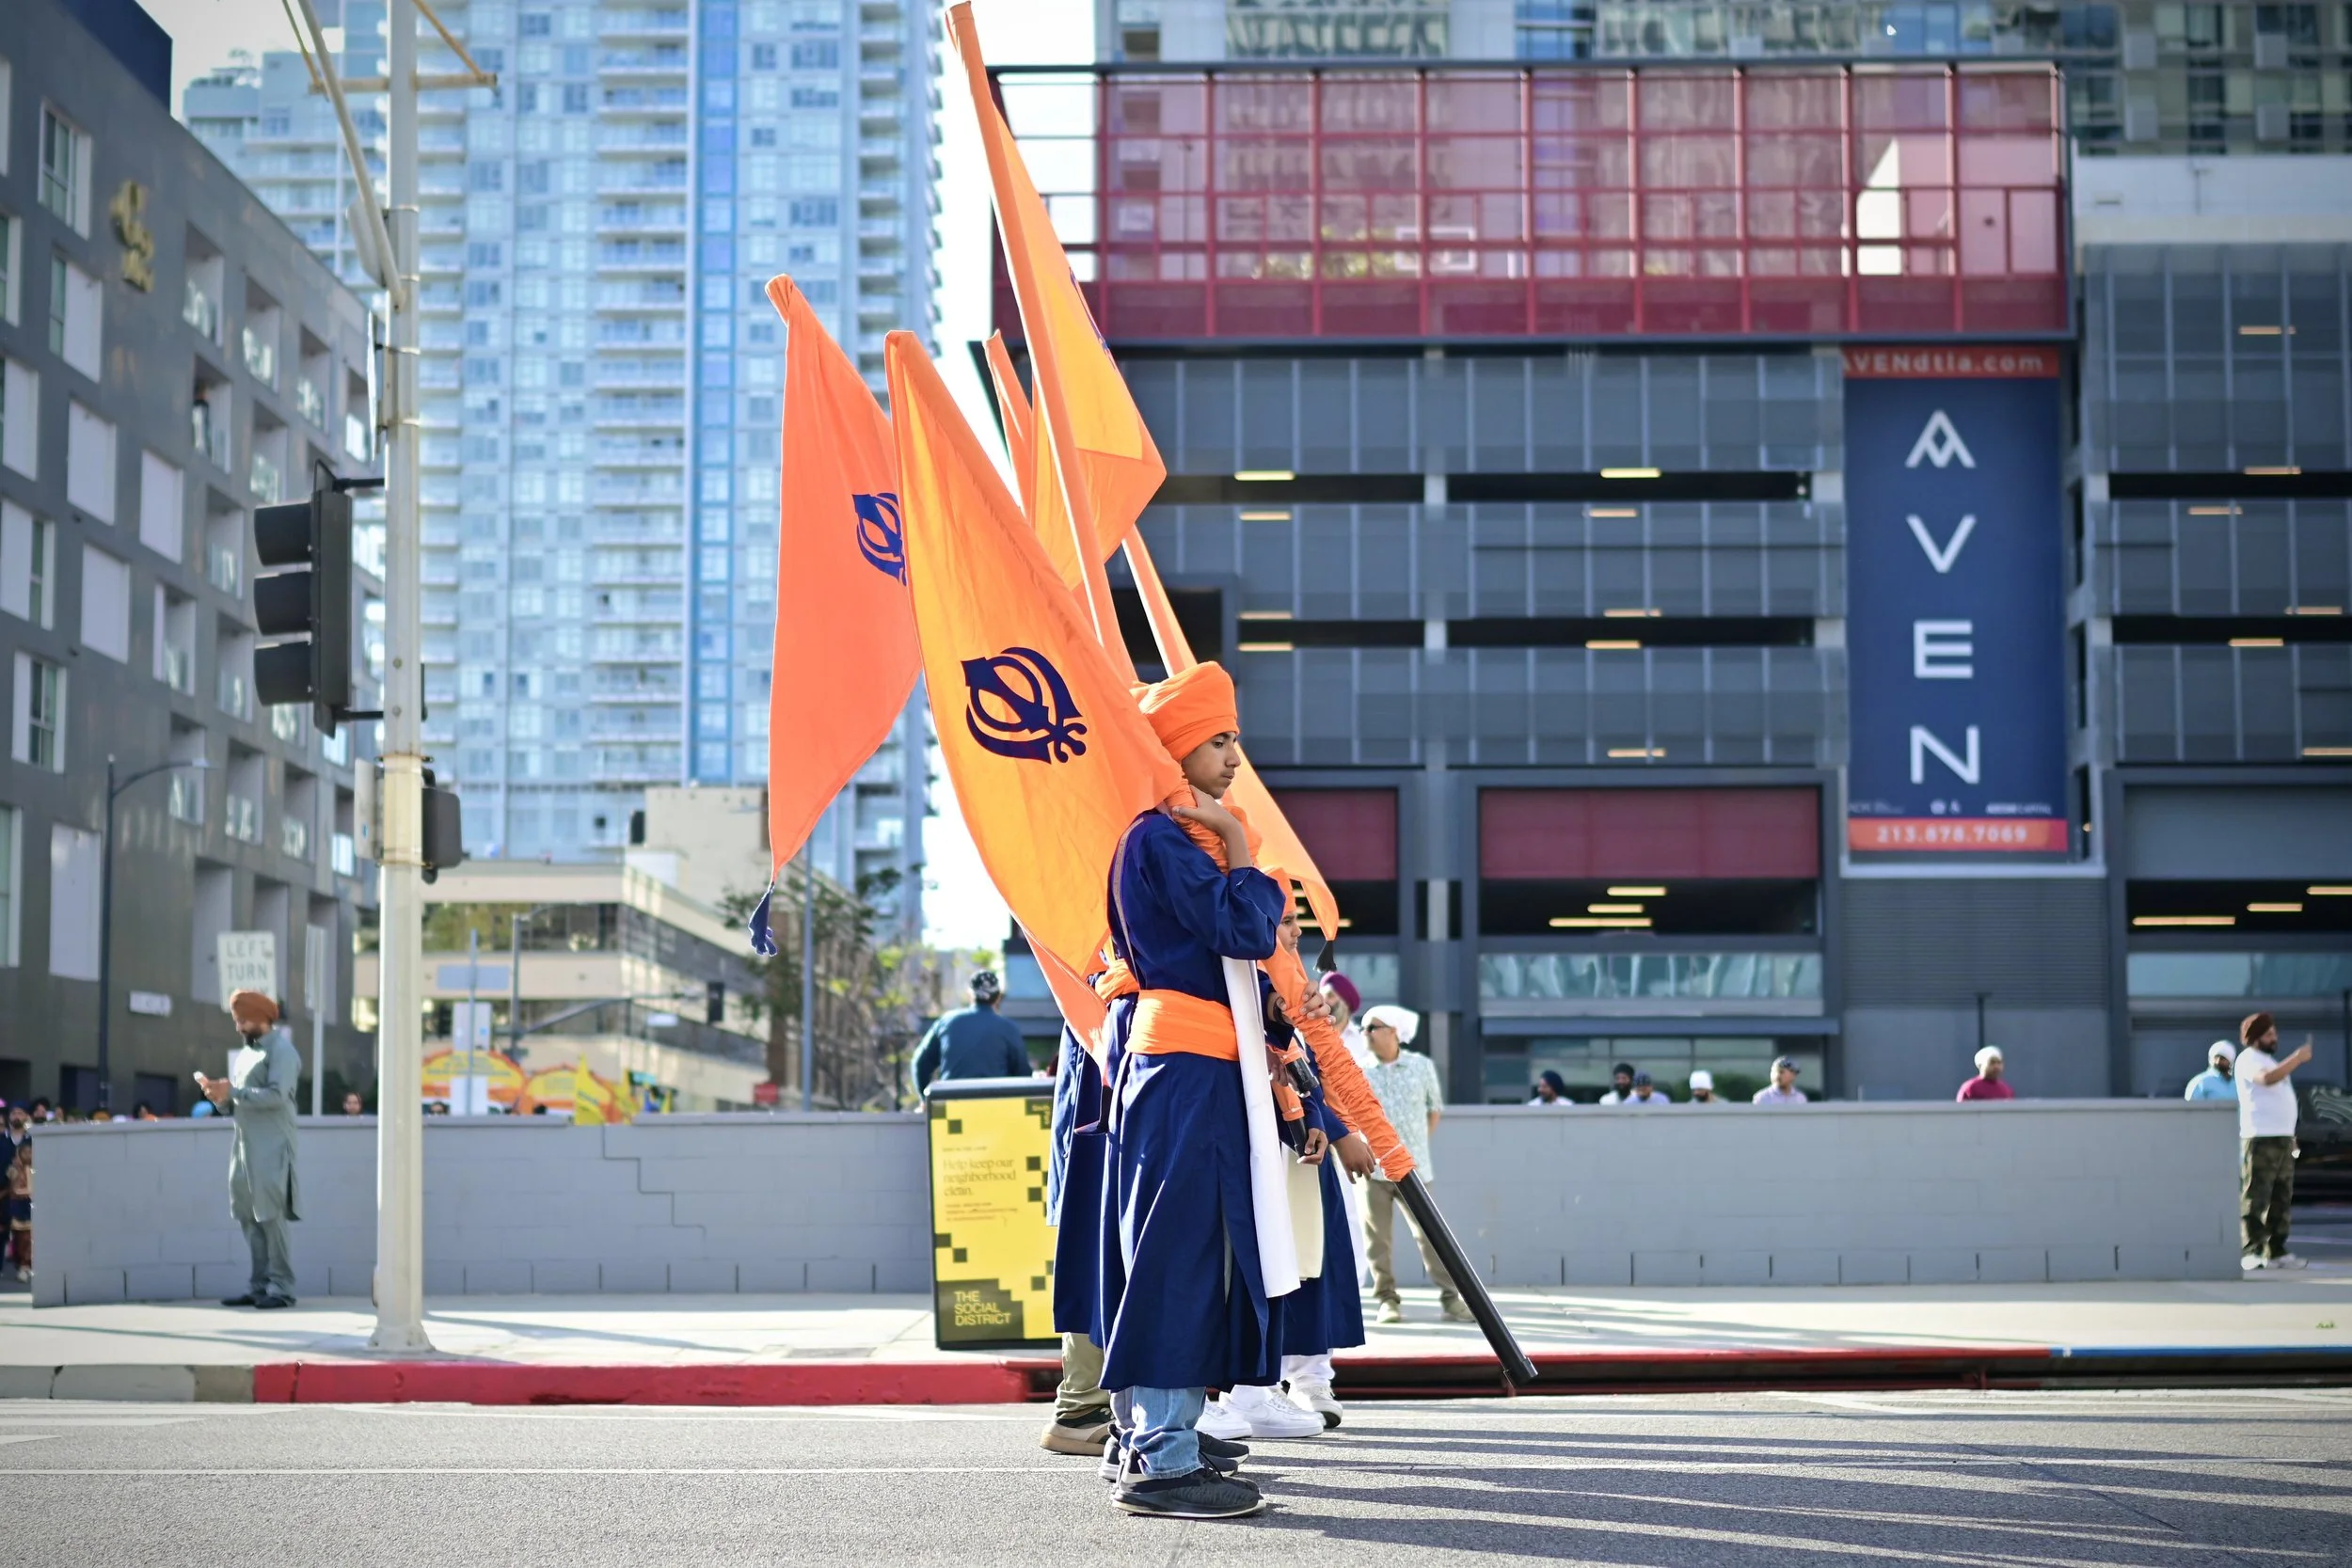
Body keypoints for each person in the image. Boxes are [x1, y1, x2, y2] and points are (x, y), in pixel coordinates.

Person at [1093, 661, 1288, 1520]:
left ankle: (1153, 1433)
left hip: (1182, 1069)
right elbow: (1245, 928)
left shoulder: (1160, 837)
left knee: (1174, 1252)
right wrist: (1242, 847)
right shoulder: (1165, 838)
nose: (1235, 754)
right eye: (1219, 738)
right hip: (1189, 1069)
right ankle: (1160, 1457)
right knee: (1180, 1255)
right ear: (1177, 748)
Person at [1358, 1004, 1472, 1326]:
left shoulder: (1421, 1067)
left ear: (1394, 1032)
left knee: (1431, 1236)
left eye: (1373, 1027)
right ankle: (1386, 1300)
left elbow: (1433, 1109)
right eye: (1364, 1028)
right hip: (1374, 1170)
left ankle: (1451, 1299)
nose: (1365, 1034)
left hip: (1414, 1169)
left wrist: (1414, 1146)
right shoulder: (1360, 1070)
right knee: (1377, 1240)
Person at [198, 991, 304, 1309]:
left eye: (242, 1021)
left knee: (271, 1217)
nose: (238, 1027)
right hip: (242, 1147)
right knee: (247, 1215)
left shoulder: (282, 1052)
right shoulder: (246, 1054)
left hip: (272, 1147)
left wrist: (235, 1092)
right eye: (236, 1021)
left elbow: (276, 1096)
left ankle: (282, 1288)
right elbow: (237, 1103)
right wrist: (219, 1097)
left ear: (261, 1018)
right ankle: (259, 1286)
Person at [1039, 1023, 1114, 1458]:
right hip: (1097, 1123)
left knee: (1101, 1262)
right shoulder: (1098, 970)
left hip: (1094, 1114)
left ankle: (1091, 1408)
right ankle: (1080, 1411)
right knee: (1096, 1263)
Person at [2235, 1011, 2312, 1272]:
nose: (2274, 1037)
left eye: (2274, 1033)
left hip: (2281, 1139)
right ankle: (2251, 1250)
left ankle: (2276, 1250)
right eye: (2268, 1034)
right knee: (2256, 1195)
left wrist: (2290, 1137)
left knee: (2281, 1197)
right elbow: (2267, 1080)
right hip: (2260, 1138)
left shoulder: (2269, 1060)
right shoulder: (2249, 1060)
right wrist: (2298, 1059)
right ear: (2255, 1038)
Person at [909, 970, 1032, 1095]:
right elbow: (1023, 1074)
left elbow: (920, 1064)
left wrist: (926, 1100)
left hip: (952, 1106)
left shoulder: (947, 1022)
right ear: (998, 997)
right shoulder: (1009, 1028)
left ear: (970, 994)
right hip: (996, 1106)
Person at [1319, 971, 1370, 1069]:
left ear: (1346, 1003)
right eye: (1322, 997)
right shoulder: (1304, 1036)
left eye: (1330, 995)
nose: (1324, 1002)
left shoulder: (1363, 1041)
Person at [4, 1129, 30, 1282]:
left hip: (31, 1208)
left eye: (30, 1152)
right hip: (17, 1207)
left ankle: (25, 1266)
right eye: (25, 1152)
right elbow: (12, 1189)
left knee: (29, 1239)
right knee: (19, 1238)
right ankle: (19, 1262)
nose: (28, 1155)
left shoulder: (35, 1170)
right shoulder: (13, 1170)